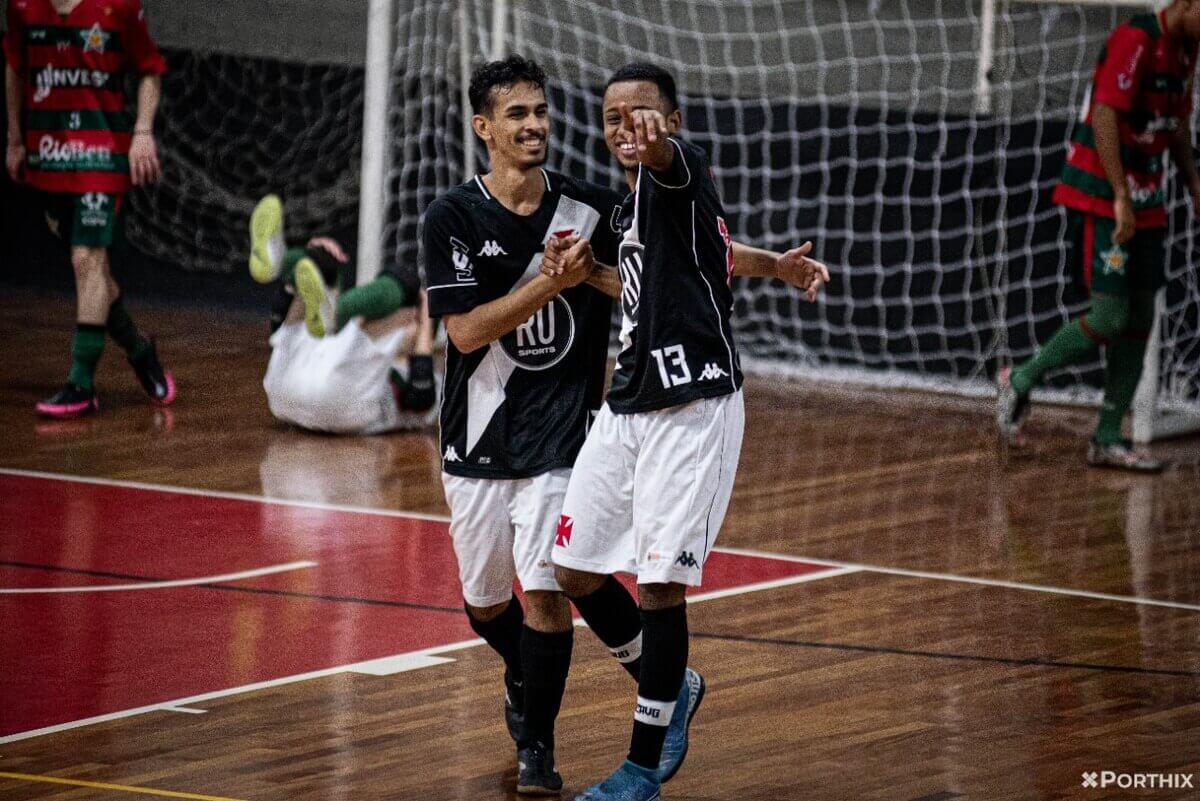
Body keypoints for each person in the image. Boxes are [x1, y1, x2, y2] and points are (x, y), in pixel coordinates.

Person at [547, 62, 828, 801]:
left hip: (694, 408)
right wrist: (585, 273)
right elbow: (694, 262)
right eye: (612, 117)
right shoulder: (624, 212)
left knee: (660, 582)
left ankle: (641, 767)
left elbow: (674, 173)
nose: (625, 128)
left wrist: (660, 147)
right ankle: (669, 681)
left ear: (671, 122)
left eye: (640, 115)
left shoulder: (681, 172)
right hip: (627, 405)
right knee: (570, 568)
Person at [422, 55, 627, 795]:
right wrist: (548, 282)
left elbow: (646, 278)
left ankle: (537, 743)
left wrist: (590, 274)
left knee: (547, 596)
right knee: (485, 603)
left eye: (540, 111)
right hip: (476, 435)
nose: (535, 124)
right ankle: (521, 672)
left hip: (563, 435)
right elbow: (468, 333)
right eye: (517, 114)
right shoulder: (451, 217)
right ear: (484, 128)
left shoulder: (592, 211)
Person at [996, 0, 1200, 472]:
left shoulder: (1187, 51)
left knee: (1142, 316)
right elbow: (1106, 115)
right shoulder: (1137, 40)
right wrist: (1120, 197)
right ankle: (1021, 377)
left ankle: (1108, 437)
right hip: (1103, 198)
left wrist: (1191, 182)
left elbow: (1176, 124)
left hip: (1148, 200)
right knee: (1109, 316)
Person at [5, 0, 174, 417]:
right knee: (92, 273)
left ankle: (81, 384)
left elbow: (150, 69)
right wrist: (14, 138)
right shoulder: (23, 7)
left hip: (103, 154)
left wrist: (142, 132)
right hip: (49, 154)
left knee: (87, 260)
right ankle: (138, 350)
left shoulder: (118, 6)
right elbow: (14, 67)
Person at [248, 194, 435, 434]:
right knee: (323, 264)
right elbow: (281, 333)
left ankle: (295, 273)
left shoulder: (399, 367)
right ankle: (284, 261)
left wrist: (424, 322)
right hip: (299, 393)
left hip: (291, 395)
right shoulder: (348, 350)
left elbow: (422, 398)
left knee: (406, 284)